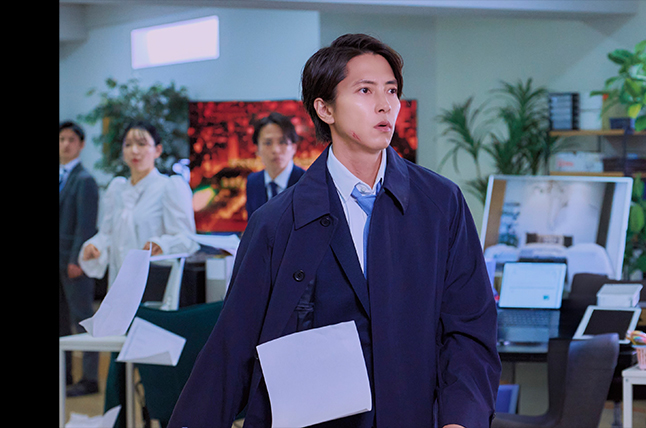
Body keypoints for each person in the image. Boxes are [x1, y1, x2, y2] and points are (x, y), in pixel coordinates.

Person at [169, 33, 500, 428]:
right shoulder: (276, 223)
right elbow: (232, 348)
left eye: (391, 91)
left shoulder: (441, 204)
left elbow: (469, 329)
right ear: (324, 108)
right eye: (365, 90)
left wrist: (460, 419)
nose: (385, 104)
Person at [79, 120, 200, 288]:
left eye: (142, 144)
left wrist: (162, 244)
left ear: (158, 150)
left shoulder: (169, 187)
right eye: (128, 145)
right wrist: (94, 246)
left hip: (155, 283)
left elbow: (187, 239)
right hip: (119, 282)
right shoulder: (117, 189)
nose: (134, 151)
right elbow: (106, 234)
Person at [59, 120, 101, 396]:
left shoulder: (85, 180)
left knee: (83, 319)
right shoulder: (62, 176)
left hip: (74, 263)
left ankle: (90, 379)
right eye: (61, 139)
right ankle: (65, 375)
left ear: (81, 145)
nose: (65, 144)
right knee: (62, 321)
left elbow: (86, 225)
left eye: (71, 140)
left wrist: (77, 259)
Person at [245, 111, 305, 218]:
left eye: (282, 142)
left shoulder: (307, 183)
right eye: (268, 143)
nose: (275, 150)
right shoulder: (252, 182)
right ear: (257, 149)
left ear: (294, 147)